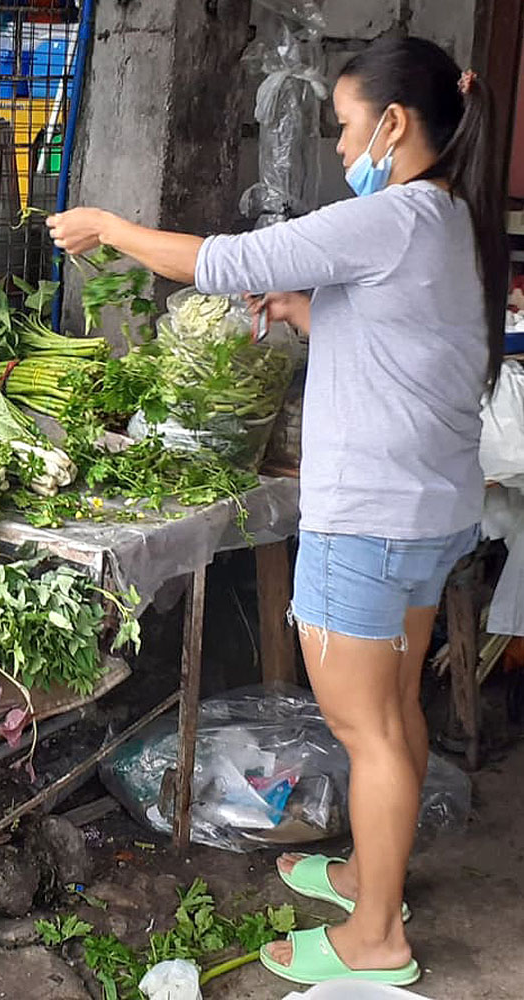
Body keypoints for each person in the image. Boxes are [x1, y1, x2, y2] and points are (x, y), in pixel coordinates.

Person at [48, 36, 507, 988]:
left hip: (367, 518)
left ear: (392, 123)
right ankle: (369, 880)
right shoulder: (451, 218)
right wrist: (303, 310)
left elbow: (223, 259)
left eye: (344, 129)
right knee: (392, 705)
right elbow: (398, 337)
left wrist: (112, 227)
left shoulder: (390, 215)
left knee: (364, 729)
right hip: (427, 511)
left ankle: (376, 937)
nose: (341, 150)